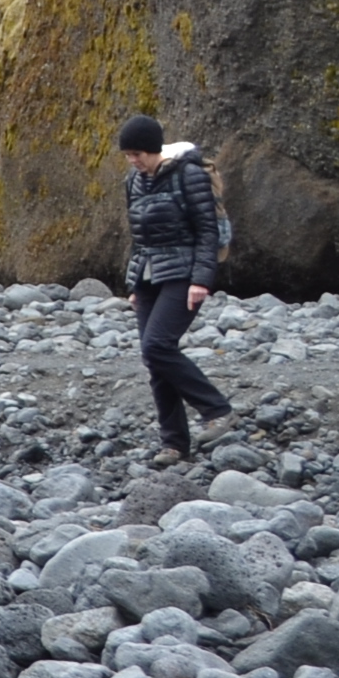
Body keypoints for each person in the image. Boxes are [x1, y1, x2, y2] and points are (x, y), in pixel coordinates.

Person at [118, 113, 232, 462]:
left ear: (154, 150)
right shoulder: (133, 182)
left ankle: (217, 410)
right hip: (149, 276)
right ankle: (174, 444)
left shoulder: (190, 174)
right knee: (155, 360)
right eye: (128, 155)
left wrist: (201, 280)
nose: (133, 160)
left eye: (138, 153)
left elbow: (206, 232)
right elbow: (139, 237)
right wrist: (134, 283)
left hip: (183, 274)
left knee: (157, 346)